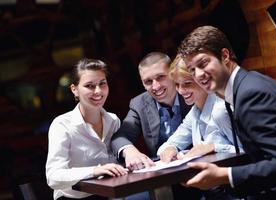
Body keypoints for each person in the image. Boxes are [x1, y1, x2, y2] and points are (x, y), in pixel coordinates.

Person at [177, 25, 276, 199]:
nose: (198, 75)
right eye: (192, 69)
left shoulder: (251, 93)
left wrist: (225, 176)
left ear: (225, 56)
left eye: (203, 63)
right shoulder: (240, 88)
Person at [111, 52, 200, 200]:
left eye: (160, 77)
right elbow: (121, 136)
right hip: (163, 180)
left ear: (172, 73)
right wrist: (130, 152)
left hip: (198, 171)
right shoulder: (139, 104)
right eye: (148, 81)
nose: (156, 86)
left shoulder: (192, 91)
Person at [46, 58, 128, 200]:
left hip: (113, 195)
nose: (98, 91)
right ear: (74, 90)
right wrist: (94, 171)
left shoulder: (113, 120)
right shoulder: (62, 125)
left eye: (102, 84)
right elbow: (53, 177)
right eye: (89, 86)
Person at [157, 54, 244, 164]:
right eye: (177, 85)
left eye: (187, 83)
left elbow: (248, 152)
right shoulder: (194, 112)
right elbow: (169, 145)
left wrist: (214, 147)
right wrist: (171, 149)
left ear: (202, 79)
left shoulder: (221, 110)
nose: (181, 91)